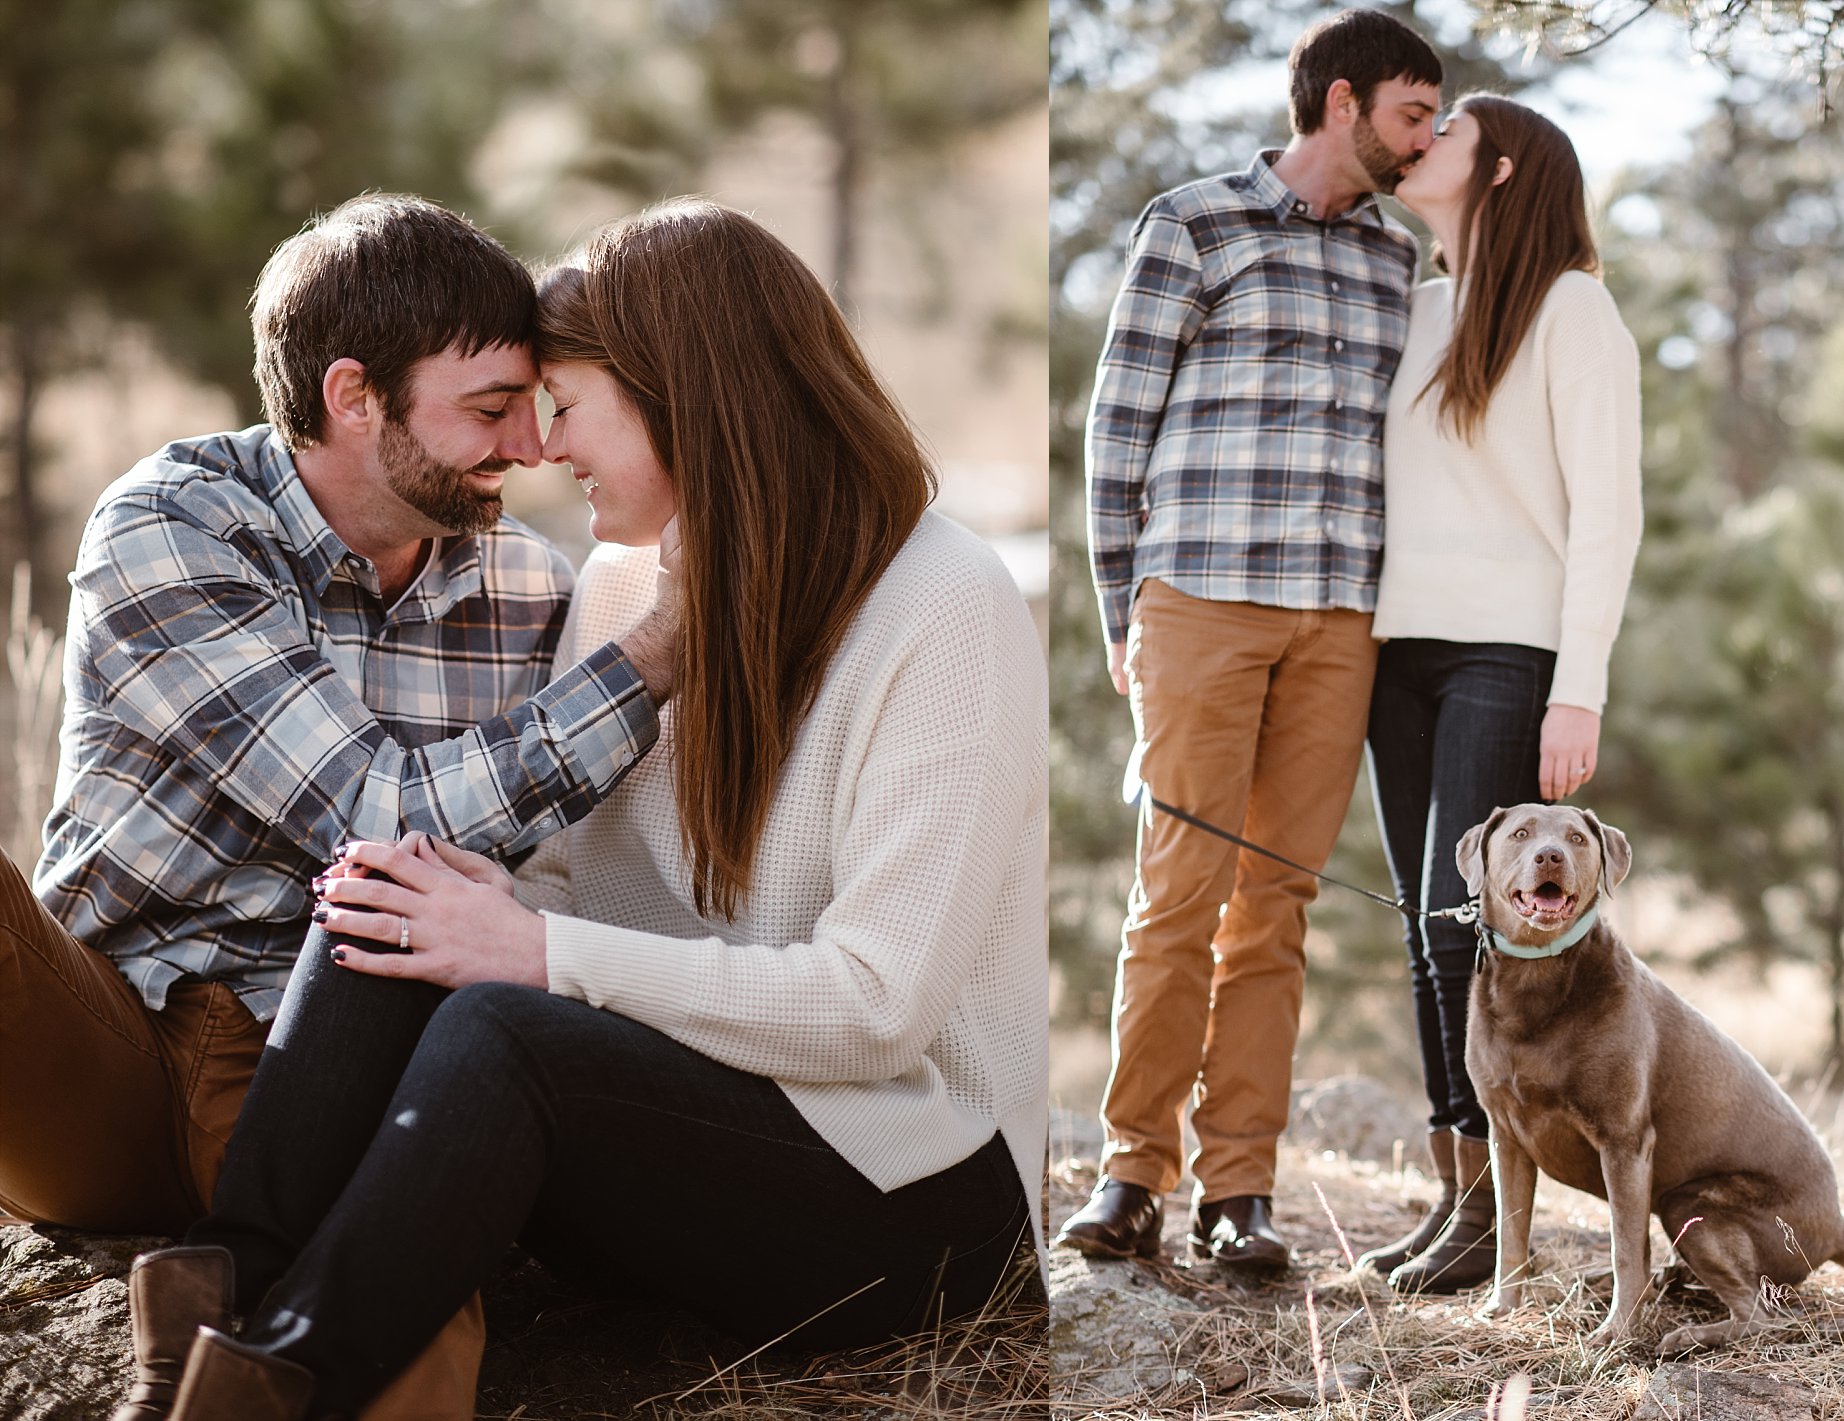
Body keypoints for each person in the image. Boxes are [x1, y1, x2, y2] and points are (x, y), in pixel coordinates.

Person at [133, 199, 1049, 1421]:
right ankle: (222, 1284)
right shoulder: (627, 585)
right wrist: (488, 910)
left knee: (503, 1021)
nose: (543, 448)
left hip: (910, 1182)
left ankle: (284, 1381)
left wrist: (542, 952)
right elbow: (562, 881)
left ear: (687, 394)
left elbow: (875, 1009)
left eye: (566, 404)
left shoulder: (941, 604)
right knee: (398, 883)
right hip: (690, 1107)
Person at [0, 194, 675, 1421]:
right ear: (353, 394)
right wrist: (650, 663)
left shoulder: (533, 588)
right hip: (104, 1045)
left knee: (399, 1307)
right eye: (486, 408)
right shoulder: (174, 522)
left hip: (312, 1061)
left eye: (533, 405)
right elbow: (372, 803)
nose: (528, 446)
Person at [1058, 8, 1441, 1273]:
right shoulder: (1192, 223)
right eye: (1409, 113)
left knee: (1272, 907)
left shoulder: (1397, 266)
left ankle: (1241, 1189)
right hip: (1201, 603)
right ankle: (1130, 1173)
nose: (1423, 136)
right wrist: (1126, 611)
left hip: (1339, 619)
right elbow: (1116, 433)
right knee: (1177, 889)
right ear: (1339, 103)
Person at [1358, 94, 1644, 1294]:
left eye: (1447, 134)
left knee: (1458, 917)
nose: (1419, 146)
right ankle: (1460, 1190)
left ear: (1503, 166)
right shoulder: (1414, 308)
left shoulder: (1573, 310)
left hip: (1506, 653)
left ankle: (1486, 1204)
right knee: (1425, 931)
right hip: (1393, 652)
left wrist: (1575, 689)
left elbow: (1606, 515)